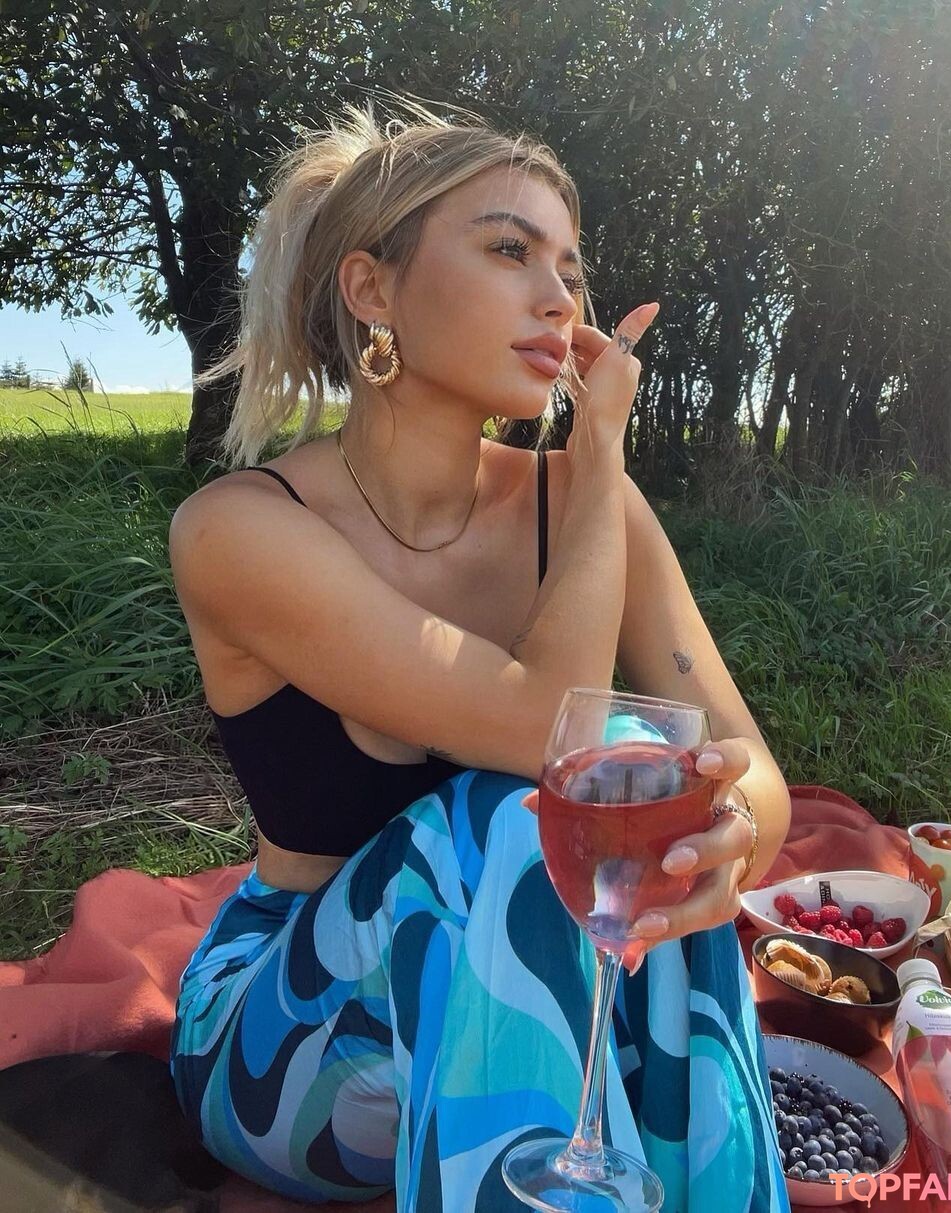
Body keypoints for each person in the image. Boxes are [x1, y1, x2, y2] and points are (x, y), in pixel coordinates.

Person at [167, 95, 792, 1212]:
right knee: (521, 810)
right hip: (288, 1047)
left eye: (570, 269)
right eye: (511, 250)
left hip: (514, 1008)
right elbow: (545, 731)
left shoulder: (586, 508)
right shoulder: (239, 531)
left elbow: (756, 770)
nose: (559, 299)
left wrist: (725, 840)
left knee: (663, 798)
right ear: (373, 291)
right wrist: (599, 454)